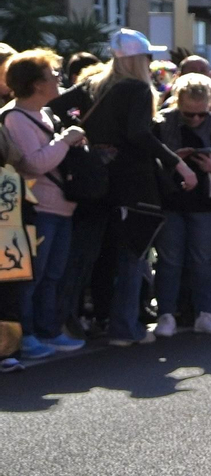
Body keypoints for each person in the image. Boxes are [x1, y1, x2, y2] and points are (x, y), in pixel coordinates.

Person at [62, 32, 195, 345]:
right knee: (132, 256)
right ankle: (124, 328)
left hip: (92, 182)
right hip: (132, 183)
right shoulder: (135, 88)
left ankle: (64, 325)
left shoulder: (92, 84)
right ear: (140, 59)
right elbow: (138, 134)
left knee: (86, 259)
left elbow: (56, 107)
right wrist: (178, 162)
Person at [2, 49, 87, 357]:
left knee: (51, 276)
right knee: (31, 279)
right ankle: (27, 337)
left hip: (60, 206)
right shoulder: (16, 118)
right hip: (37, 209)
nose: (59, 81)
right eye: (53, 76)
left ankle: (48, 331)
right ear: (36, 84)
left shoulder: (45, 114)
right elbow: (34, 164)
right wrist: (65, 141)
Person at [152, 73, 211, 337]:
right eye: (189, 114)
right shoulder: (162, 123)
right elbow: (149, 162)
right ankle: (166, 314)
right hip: (170, 201)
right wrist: (172, 161)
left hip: (205, 203)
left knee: (203, 260)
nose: (197, 119)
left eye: (201, 113)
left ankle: (205, 312)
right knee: (170, 260)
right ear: (177, 103)